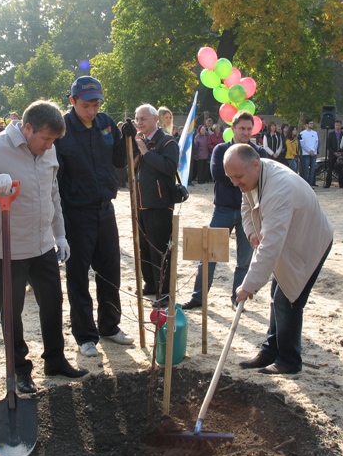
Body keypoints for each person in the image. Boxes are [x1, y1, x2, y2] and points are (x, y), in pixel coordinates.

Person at [0, 100, 89, 392]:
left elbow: (52, 193)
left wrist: (60, 234)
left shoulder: (48, 147)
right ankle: (19, 369)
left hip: (42, 244)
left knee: (53, 304)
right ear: (27, 128)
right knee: (12, 312)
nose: (48, 146)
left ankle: (55, 360)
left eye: (53, 141)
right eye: (44, 139)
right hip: (9, 247)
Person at [225, 144, 333, 375]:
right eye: (231, 178)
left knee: (288, 299)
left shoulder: (279, 188)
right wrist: (251, 232)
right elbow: (246, 205)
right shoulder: (254, 176)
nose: (235, 183)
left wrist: (248, 285)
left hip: (308, 244)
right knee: (278, 296)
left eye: (238, 177)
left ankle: (289, 360)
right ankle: (270, 350)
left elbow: (271, 246)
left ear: (255, 164)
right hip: (288, 242)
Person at [55, 76, 132, 359]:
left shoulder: (106, 123)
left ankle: (109, 326)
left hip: (105, 208)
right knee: (78, 275)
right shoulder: (61, 130)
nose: (92, 110)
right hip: (76, 212)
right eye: (87, 105)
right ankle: (85, 336)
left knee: (110, 270)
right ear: (72, 101)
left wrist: (128, 139)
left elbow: (120, 162)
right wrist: (59, 220)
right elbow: (57, 178)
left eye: (97, 104)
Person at [182, 111, 261, 311]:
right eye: (242, 128)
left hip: (250, 213)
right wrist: (245, 175)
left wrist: (235, 175)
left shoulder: (258, 152)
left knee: (244, 260)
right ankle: (198, 297)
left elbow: (261, 178)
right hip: (223, 210)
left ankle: (237, 299)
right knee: (208, 256)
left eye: (249, 129)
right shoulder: (220, 150)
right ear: (233, 128)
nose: (246, 132)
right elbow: (217, 173)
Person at [131, 104, 179, 308]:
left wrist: (146, 153)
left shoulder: (167, 141)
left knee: (160, 249)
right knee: (144, 247)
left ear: (155, 119)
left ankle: (164, 291)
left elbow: (169, 168)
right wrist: (136, 148)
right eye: (137, 119)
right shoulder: (138, 141)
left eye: (143, 119)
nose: (139, 122)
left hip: (159, 204)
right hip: (141, 203)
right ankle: (150, 284)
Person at [324, 119, 343, 188]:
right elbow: (328, 145)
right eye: (336, 125)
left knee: (340, 170)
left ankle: (341, 184)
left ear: (341, 125)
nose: (337, 126)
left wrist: (341, 152)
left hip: (340, 154)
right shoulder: (331, 134)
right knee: (330, 169)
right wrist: (334, 152)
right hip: (332, 154)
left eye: (339, 125)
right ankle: (328, 184)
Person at [299, 119, 319, 186]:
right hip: (306, 154)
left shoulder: (315, 133)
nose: (312, 125)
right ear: (306, 124)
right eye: (310, 123)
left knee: (313, 169)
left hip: (314, 153)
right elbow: (302, 144)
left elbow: (316, 142)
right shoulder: (302, 133)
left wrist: (313, 150)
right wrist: (309, 151)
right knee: (306, 169)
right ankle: (305, 183)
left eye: (312, 123)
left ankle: (311, 183)